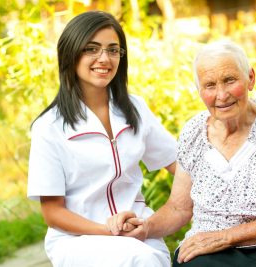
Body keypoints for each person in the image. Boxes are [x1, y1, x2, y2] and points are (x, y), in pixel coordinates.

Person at [107, 40, 256, 267]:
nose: (222, 94)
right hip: (214, 251)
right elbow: (179, 208)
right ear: (199, 91)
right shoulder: (193, 133)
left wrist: (225, 237)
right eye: (210, 85)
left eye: (230, 80)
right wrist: (145, 226)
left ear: (250, 78)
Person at [27, 11, 176, 267]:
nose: (104, 58)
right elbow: (52, 213)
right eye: (91, 49)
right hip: (78, 239)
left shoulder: (135, 109)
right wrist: (109, 230)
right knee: (139, 260)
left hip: (139, 232)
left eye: (113, 50)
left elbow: (182, 167)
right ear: (70, 53)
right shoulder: (49, 127)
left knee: (149, 258)